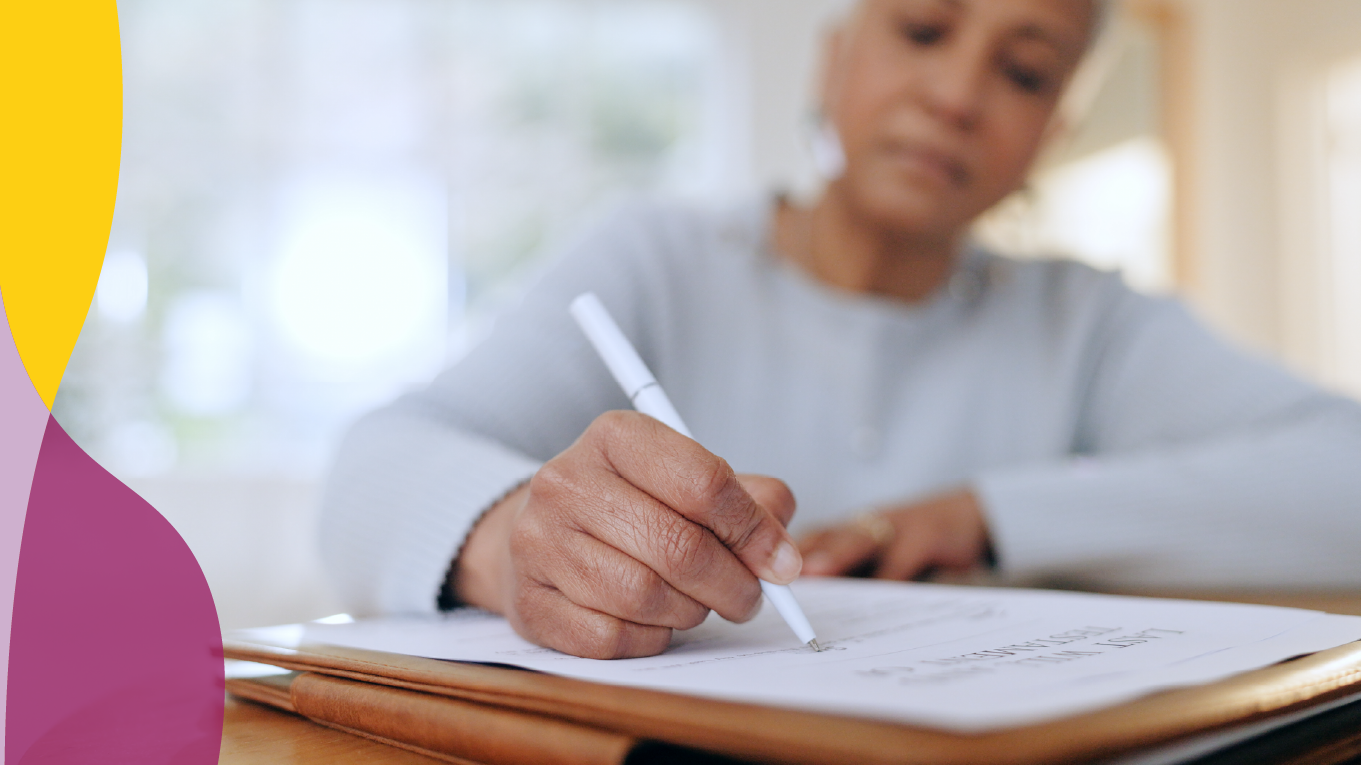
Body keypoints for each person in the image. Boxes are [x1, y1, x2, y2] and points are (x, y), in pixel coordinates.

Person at [320, 0, 1361, 660]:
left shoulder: (1083, 321)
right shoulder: (657, 260)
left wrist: (986, 515)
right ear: (830, 61)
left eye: (1024, 69)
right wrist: (510, 544)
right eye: (921, 29)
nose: (956, 95)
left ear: (1051, 134)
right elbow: (371, 467)